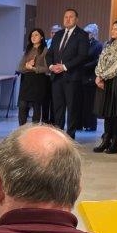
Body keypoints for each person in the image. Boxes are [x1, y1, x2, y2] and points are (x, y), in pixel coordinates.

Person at [46, 9, 90, 138]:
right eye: (65, 17)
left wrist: (64, 67)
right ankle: (59, 135)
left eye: (71, 17)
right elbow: (49, 54)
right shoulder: (58, 34)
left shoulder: (82, 35)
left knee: (72, 109)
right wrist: (51, 66)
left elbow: (82, 56)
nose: (68, 19)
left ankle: (70, 136)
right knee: (58, 108)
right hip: (56, 77)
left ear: (77, 19)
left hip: (72, 78)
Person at [92, 20, 117, 154]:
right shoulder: (108, 44)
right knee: (106, 114)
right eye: (113, 28)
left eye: (116, 29)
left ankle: (114, 143)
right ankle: (105, 140)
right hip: (104, 81)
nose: (113, 31)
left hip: (115, 82)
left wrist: (102, 76)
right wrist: (98, 75)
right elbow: (100, 61)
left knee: (114, 114)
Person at [16, 28, 49, 126]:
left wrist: (34, 68)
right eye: (32, 35)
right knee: (22, 106)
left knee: (36, 107)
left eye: (36, 35)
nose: (33, 37)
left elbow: (47, 69)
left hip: (39, 81)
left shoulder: (45, 50)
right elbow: (20, 68)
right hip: (27, 81)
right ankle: (21, 129)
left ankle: (34, 131)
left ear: (42, 37)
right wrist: (27, 66)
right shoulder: (28, 50)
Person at [80, 23, 103, 131]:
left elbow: (97, 61)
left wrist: (83, 66)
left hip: (91, 76)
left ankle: (91, 124)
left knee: (90, 102)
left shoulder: (98, 45)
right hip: (82, 76)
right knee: (82, 102)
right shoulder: (84, 44)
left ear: (93, 34)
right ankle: (82, 123)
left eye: (88, 33)